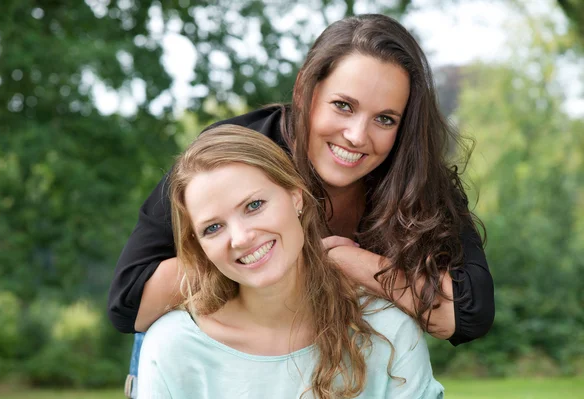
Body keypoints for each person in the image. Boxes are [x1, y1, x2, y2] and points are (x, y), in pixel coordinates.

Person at [110, 12, 493, 358]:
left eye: (385, 119)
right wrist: (282, 250)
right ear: (305, 91)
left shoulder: (415, 175)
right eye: (343, 105)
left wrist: (348, 261)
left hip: (334, 358)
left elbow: (467, 312)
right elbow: (130, 303)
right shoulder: (236, 152)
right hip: (210, 355)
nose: (357, 136)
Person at [137, 125, 444, 398]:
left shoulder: (386, 331)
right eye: (213, 228)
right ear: (201, 246)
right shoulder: (173, 347)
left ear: (296, 196)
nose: (241, 238)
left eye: (254, 205)